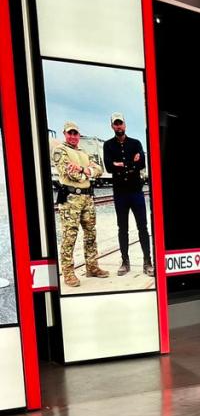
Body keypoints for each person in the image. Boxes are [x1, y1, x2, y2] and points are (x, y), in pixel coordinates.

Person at [56, 121, 108, 288]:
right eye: (70, 133)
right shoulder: (61, 151)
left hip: (87, 198)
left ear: (79, 135)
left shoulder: (84, 153)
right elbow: (68, 173)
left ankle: (92, 266)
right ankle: (68, 273)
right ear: (64, 133)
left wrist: (82, 169)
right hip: (70, 199)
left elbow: (99, 170)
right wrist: (87, 173)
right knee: (70, 237)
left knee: (90, 234)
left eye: (75, 133)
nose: (73, 136)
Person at [102, 113, 154, 277]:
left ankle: (147, 260)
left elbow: (142, 163)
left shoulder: (135, 143)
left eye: (121, 123)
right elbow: (109, 167)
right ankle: (125, 261)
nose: (119, 126)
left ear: (125, 125)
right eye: (115, 124)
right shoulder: (108, 145)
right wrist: (131, 164)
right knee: (122, 228)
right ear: (112, 126)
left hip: (136, 192)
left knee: (143, 228)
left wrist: (120, 164)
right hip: (120, 194)